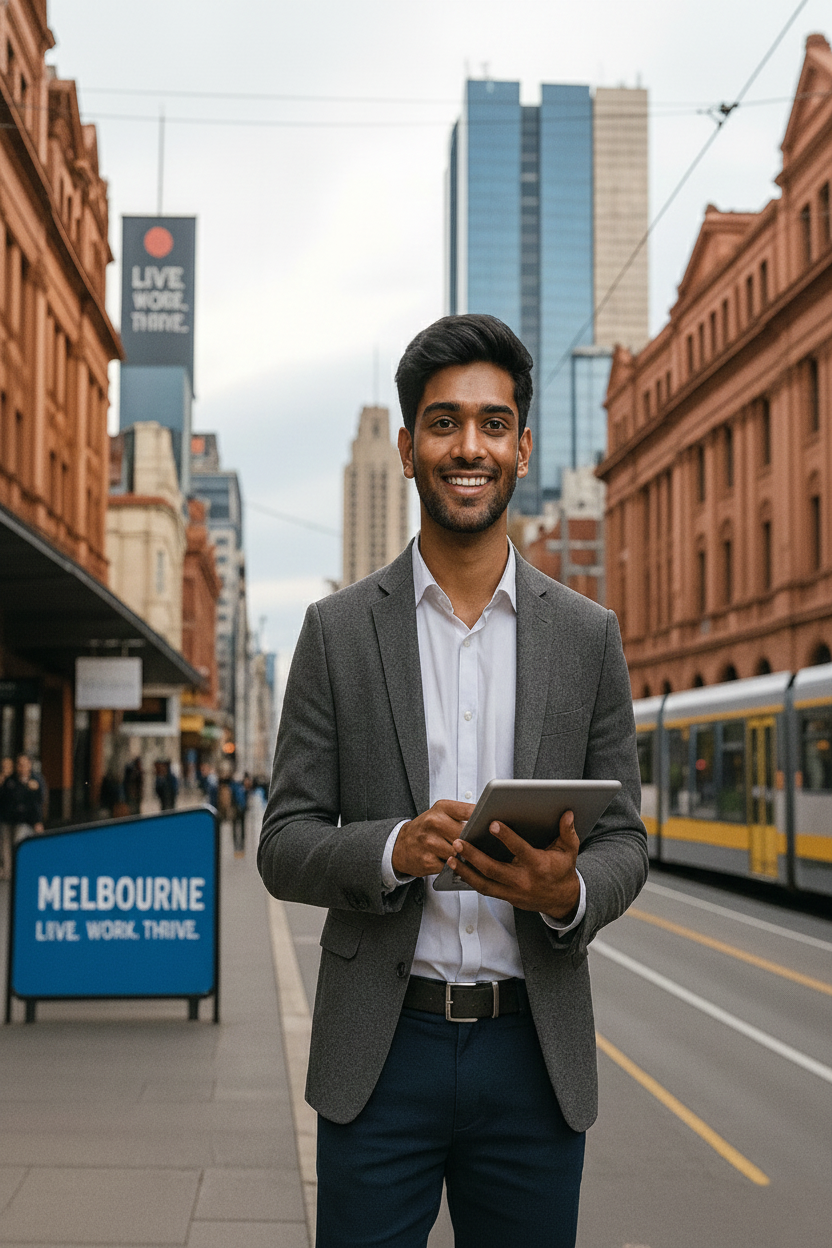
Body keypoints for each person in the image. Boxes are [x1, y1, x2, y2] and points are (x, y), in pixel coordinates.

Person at [258, 314, 647, 1248]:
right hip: (381, 1055)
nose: (466, 446)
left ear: (519, 447)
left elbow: (626, 840)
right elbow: (283, 841)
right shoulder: (337, 631)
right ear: (406, 448)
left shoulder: (588, 636)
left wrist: (569, 892)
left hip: (532, 1054)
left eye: (490, 423)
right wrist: (392, 848)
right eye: (442, 423)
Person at [2, 753, 46, 844]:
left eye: (24, 764)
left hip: (26, 821)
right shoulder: (10, 781)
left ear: (29, 765)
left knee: (19, 843)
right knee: (6, 848)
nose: (22, 767)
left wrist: (38, 821)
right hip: (8, 819)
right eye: (19, 764)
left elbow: (39, 801)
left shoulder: (36, 780)